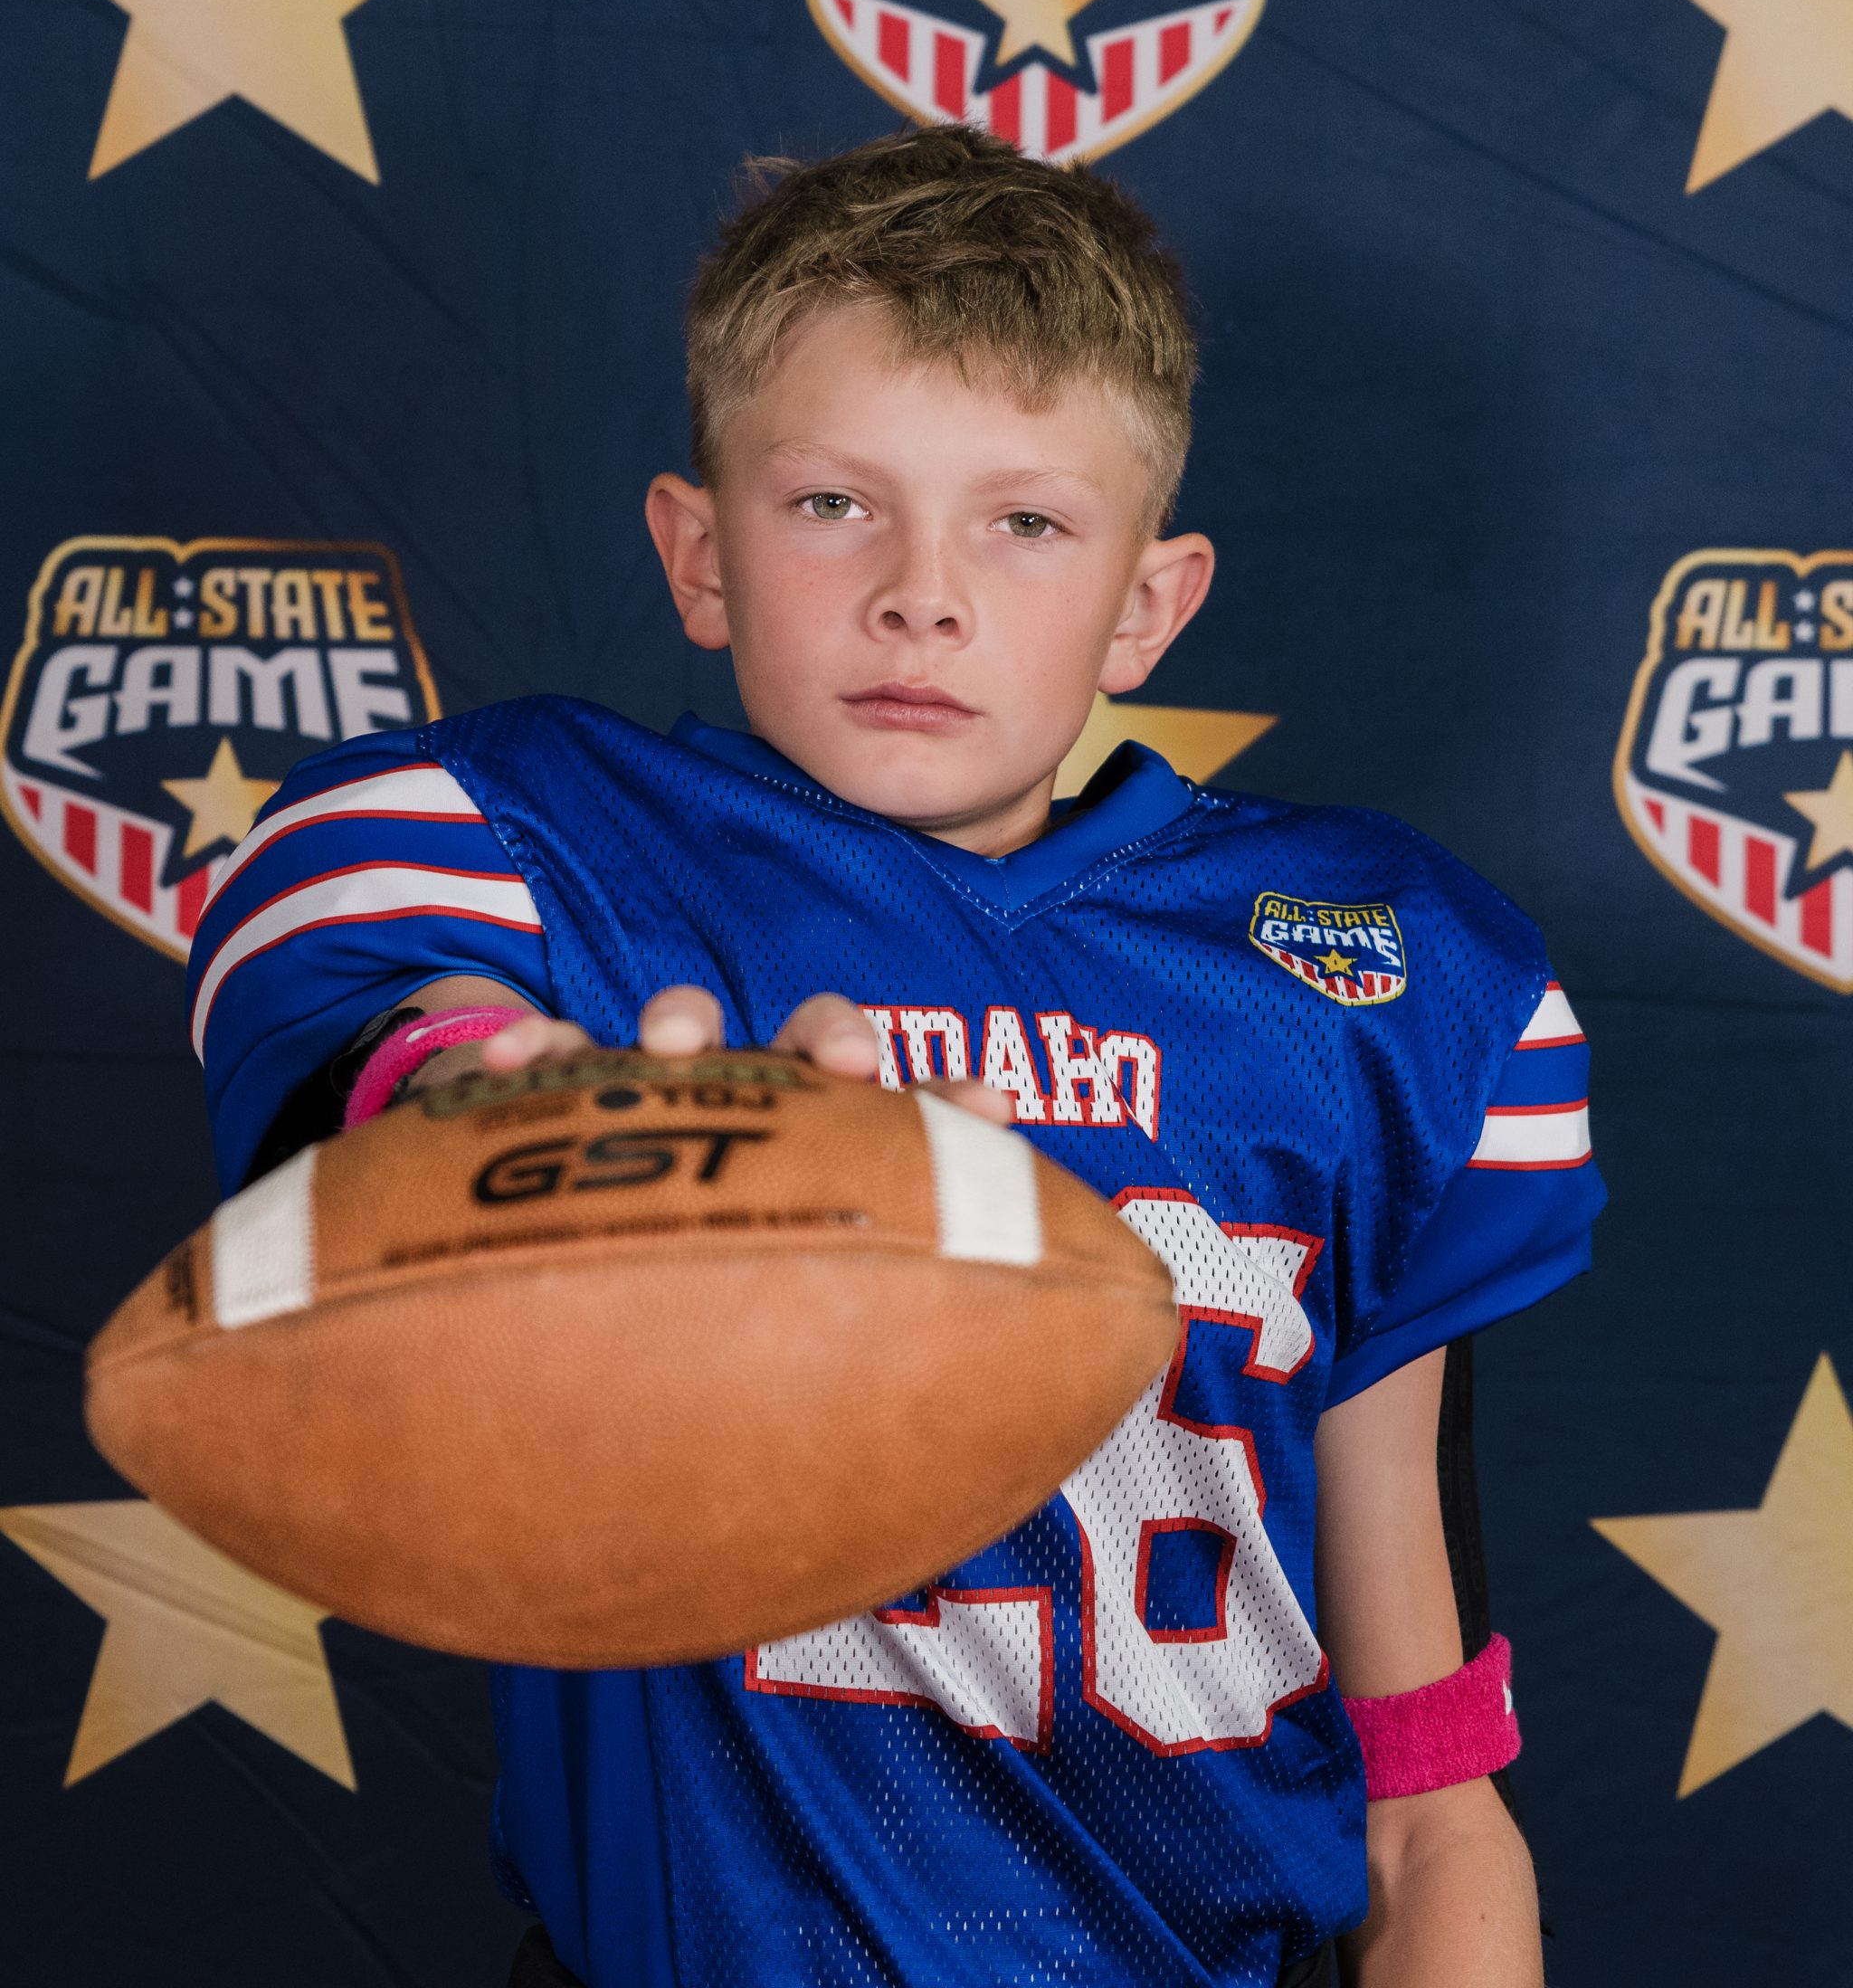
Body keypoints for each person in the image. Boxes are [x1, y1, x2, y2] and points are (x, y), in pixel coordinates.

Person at [188, 126, 1602, 1988]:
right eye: (833, 503)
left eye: (1025, 522)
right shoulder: (544, 852)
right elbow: (401, 1031)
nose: (921, 593)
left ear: (1149, 601)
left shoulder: (1370, 975)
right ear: (698, 553)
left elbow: (1426, 1798)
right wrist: (509, 1123)